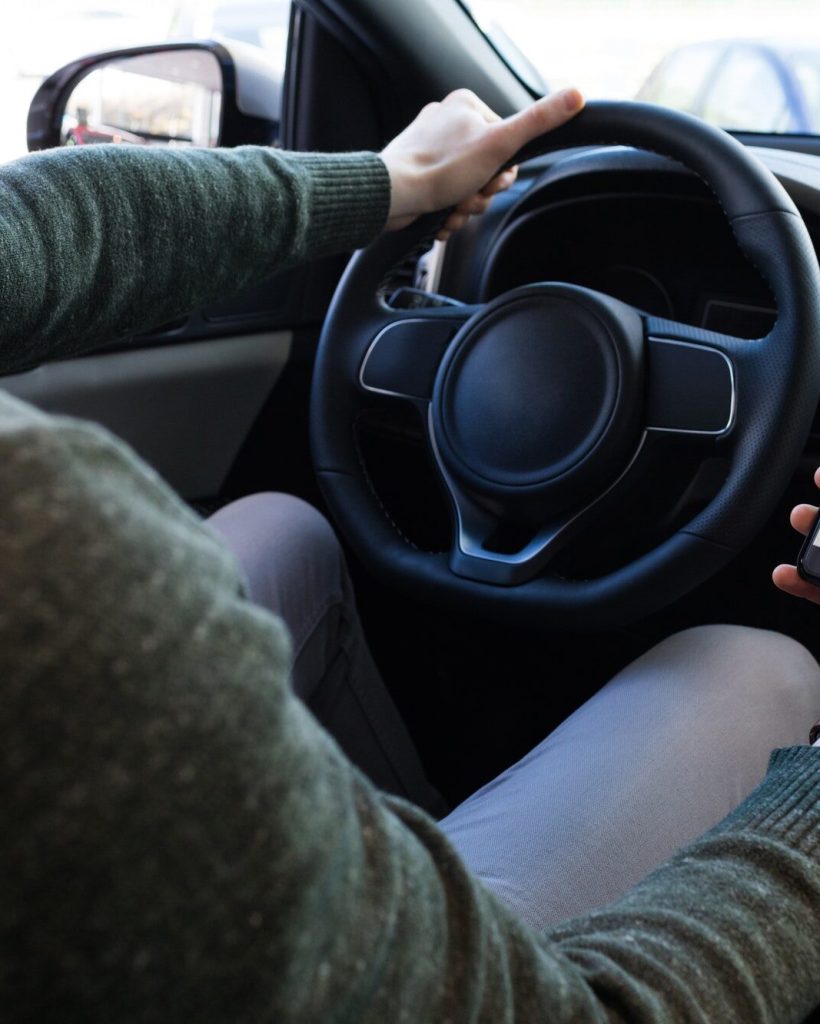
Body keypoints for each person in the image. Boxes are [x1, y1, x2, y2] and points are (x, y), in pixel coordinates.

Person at [2, 86, 820, 1022]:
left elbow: (37, 230)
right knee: (752, 664)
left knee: (285, 527)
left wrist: (394, 182)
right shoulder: (46, 553)